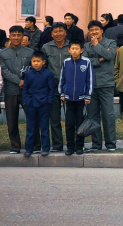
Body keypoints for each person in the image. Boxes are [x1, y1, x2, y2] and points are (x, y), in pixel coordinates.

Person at [0, 25, 33, 153]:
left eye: (19, 35)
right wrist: (19, 81)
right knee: (12, 120)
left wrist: (26, 81)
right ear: (9, 36)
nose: (16, 37)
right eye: (14, 35)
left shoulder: (30, 52)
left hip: (27, 91)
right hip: (11, 91)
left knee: (32, 118)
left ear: (23, 36)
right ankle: (15, 146)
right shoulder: (2, 54)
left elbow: (33, 69)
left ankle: (34, 144)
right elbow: (4, 71)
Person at [83, 20, 118, 152]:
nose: (94, 32)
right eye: (91, 30)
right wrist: (100, 59)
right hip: (91, 85)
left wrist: (97, 46)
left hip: (106, 84)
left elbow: (110, 55)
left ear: (102, 30)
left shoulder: (111, 43)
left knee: (108, 115)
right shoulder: (86, 46)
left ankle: (110, 143)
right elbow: (85, 61)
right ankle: (96, 144)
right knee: (92, 116)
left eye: (96, 29)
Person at [59, 40, 93, 155]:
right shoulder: (66, 62)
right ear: (69, 50)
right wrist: (62, 93)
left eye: (77, 48)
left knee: (80, 124)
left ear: (81, 50)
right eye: (72, 48)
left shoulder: (86, 62)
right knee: (69, 124)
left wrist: (88, 95)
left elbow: (90, 80)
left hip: (81, 99)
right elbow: (62, 79)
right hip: (68, 99)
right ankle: (70, 147)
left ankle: (79, 146)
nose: (74, 51)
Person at [41, 22, 71, 151]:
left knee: (71, 117)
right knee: (54, 118)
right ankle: (58, 144)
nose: (58, 34)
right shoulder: (46, 48)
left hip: (70, 85)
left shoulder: (72, 46)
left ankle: (72, 143)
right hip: (52, 86)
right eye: (55, 32)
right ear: (51, 34)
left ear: (65, 32)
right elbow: (44, 67)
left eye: (60, 31)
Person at [22, 51, 54, 157]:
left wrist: (49, 101)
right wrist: (25, 100)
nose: (35, 63)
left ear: (43, 62)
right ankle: (28, 149)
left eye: (38, 61)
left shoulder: (48, 74)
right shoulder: (28, 74)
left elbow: (51, 89)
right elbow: (25, 88)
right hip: (31, 103)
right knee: (30, 127)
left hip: (44, 103)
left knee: (44, 127)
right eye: (34, 61)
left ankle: (45, 148)